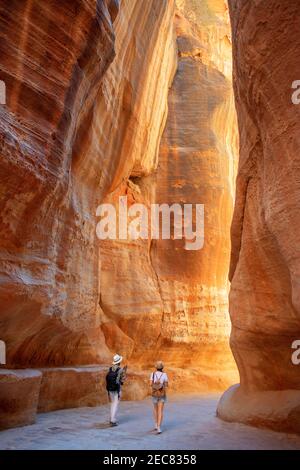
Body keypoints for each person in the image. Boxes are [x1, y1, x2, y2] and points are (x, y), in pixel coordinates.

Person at [106, 354, 127, 426]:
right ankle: (112, 420)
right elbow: (122, 381)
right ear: (119, 362)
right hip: (117, 389)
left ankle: (111, 418)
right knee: (116, 404)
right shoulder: (120, 370)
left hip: (110, 389)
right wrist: (124, 371)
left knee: (112, 403)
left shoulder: (110, 368)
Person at [150, 360, 168, 434]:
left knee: (155, 409)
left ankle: (156, 424)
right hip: (162, 394)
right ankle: (159, 427)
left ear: (156, 367)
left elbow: (150, 384)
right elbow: (166, 385)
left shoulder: (153, 374)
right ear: (162, 367)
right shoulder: (164, 375)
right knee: (160, 410)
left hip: (154, 394)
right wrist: (161, 384)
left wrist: (156, 383)